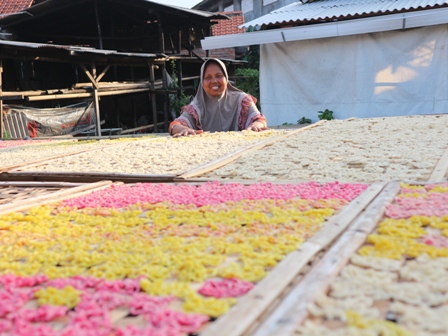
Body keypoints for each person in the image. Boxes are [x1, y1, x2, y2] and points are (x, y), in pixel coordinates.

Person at [169, 58, 267, 137]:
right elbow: (175, 125)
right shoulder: (196, 107)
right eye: (208, 77)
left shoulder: (242, 100)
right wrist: (183, 129)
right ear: (202, 82)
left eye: (219, 76)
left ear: (226, 78)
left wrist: (256, 125)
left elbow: (260, 120)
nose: (214, 81)